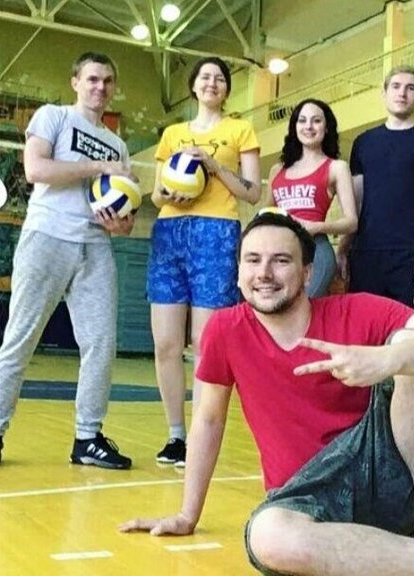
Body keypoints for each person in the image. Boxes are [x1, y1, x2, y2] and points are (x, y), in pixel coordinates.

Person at [121, 212, 414, 576]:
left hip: (383, 473)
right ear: (238, 271)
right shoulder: (225, 329)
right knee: (267, 535)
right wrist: (188, 514)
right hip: (305, 497)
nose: (264, 273)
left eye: (280, 261)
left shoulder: (356, 310)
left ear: (307, 271)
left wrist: (387, 359)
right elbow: (208, 420)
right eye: (252, 260)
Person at [0, 52, 135, 471]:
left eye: (107, 81)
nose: (100, 87)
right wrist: (98, 166)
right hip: (47, 236)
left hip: (95, 245)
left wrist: (120, 224)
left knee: (101, 344)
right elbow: (36, 168)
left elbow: (127, 221)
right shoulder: (54, 117)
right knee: (20, 337)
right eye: (92, 79)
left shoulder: (119, 146)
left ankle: (88, 438)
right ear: (75, 82)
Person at [149, 56, 261, 467]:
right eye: (204, 77)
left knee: (204, 343)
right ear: (193, 86)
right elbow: (156, 195)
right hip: (170, 231)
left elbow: (253, 192)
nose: (212, 83)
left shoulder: (240, 130)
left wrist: (212, 165)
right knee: (165, 343)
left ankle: (200, 434)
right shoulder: (173, 134)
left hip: (216, 232)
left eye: (219, 78)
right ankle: (175, 435)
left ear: (227, 89)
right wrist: (170, 196)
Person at [339, 65, 414, 311]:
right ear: (384, 93)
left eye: (410, 88)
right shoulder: (363, 142)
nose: (402, 93)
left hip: (411, 254)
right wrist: (343, 248)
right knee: (366, 327)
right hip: (367, 254)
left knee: (410, 329)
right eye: (396, 86)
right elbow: (356, 203)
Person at [267, 98, 357, 297]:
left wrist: (315, 227)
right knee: (278, 309)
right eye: (302, 120)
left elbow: (351, 222)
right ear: (294, 127)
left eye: (316, 121)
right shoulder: (277, 170)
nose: (308, 126)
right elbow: (266, 214)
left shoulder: (336, 167)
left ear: (326, 127)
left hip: (316, 250)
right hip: (279, 250)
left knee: (305, 307)